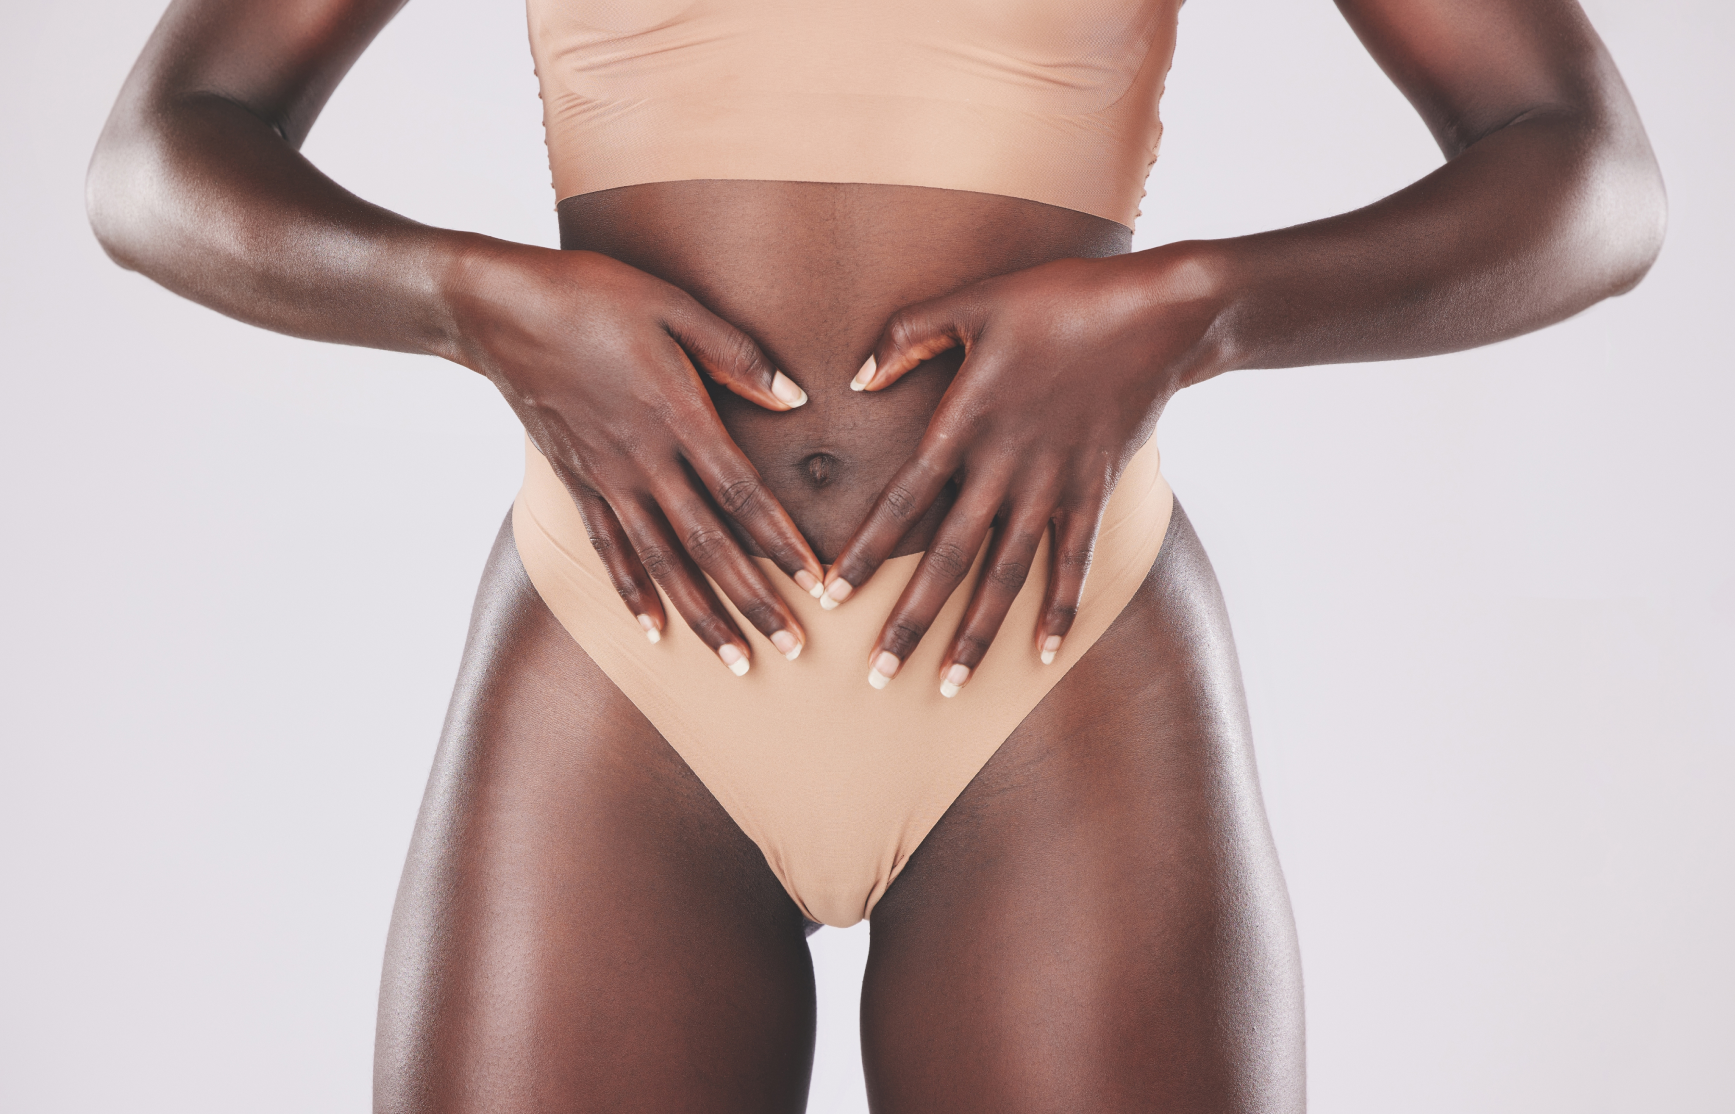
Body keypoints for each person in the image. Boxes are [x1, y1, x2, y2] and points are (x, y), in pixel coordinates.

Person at [86, 0, 1663, 1109]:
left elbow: (1591, 181)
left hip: (1053, 656)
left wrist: (1196, 308)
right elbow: (157, 156)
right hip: (616, 649)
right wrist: (467, 298)